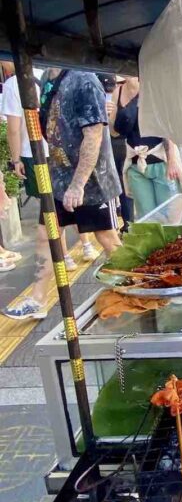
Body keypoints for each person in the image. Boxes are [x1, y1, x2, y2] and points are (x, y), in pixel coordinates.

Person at [4, 69, 122, 322]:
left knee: (107, 238)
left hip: (93, 181)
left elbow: (94, 134)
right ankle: (37, 298)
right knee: (46, 234)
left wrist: (78, 184)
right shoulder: (48, 78)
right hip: (59, 178)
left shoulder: (85, 80)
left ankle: (137, 288)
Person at [2, 69, 99, 273]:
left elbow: (13, 127)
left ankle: (63, 256)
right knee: (71, 204)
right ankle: (87, 245)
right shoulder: (50, 75)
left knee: (51, 211)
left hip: (36, 154)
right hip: (65, 153)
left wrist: (15, 159)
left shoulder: (15, 83)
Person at [112, 77, 182, 219]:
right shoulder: (118, 91)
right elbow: (114, 132)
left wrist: (172, 160)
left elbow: (168, 127)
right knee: (146, 216)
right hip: (135, 164)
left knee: (169, 214)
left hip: (160, 160)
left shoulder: (154, 88)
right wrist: (109, 115)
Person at [102, 75, 133, 230]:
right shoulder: (117, 93)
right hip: (115, 144)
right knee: (123, 185)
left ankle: (129, 223)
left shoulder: (121, 92)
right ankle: (128, 223)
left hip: (127, 144)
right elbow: (112, 128)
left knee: (125, 184)